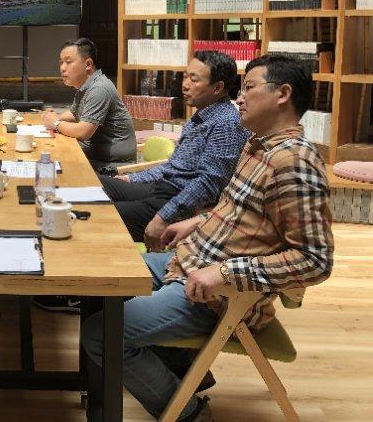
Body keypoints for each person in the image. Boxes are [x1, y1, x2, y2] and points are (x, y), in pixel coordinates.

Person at [80, 54, 334, 422]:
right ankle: (178, 373)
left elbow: (315, 261)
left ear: (283, 94)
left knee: (99, 334)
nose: (239, 98)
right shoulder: (259, 146)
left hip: (219, 295)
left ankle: (187, 412)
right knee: (98, 280)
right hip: (189, 261)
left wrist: (225, 273)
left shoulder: (294, 163)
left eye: (249, 88)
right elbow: (241, 212)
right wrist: (197, 222)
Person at [101, 50, 249, 247]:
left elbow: (208, 183)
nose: (185, 84)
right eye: (185, 76)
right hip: (162, 188)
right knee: (99, 185)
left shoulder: (226, 123)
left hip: (179, 202)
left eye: (194, 80)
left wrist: (163, 217)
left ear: (218, 87)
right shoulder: (201, 116)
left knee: (101, 214)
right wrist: (130, 179)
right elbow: (173, 166)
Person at [41, 38, 136, 169]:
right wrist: (53, 117)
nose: (62, 68)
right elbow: (74, 113)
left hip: (112, 166)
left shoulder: (99, 88)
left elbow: (83, 132)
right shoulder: (85, 86)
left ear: (88, 64)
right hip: (93, 157)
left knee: (50, 166)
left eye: (68, 62)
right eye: (61, 62)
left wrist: (56, 123)